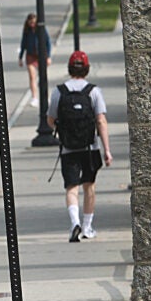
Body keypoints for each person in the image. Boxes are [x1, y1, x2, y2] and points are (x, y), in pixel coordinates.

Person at [47, 50, 112, 242]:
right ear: (87, 69)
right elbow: (101, 121)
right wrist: (107, 150)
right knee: (89, 186)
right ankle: (87, 226)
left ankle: (74, 223)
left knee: (71, 187)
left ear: (69, 68)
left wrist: (63, 131)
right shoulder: (93, 92)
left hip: (68, 148)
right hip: (90, 148)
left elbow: (50, 120)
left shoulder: (59, 91)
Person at [18, 13, 52, 108]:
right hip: (30, 55)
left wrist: (48, 56)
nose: (32, 24)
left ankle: (45, 96)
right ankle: (34, 97)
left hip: (41, 55)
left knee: (43, 77)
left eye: (34, 22)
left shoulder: (41, 30)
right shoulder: (27, 31)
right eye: (30, 22)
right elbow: (23, 44)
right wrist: (20, 57)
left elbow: (48, 42)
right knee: (32, 77)